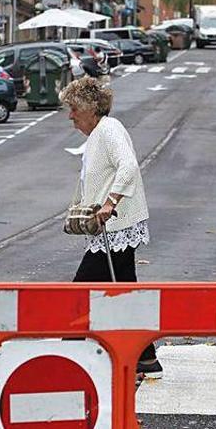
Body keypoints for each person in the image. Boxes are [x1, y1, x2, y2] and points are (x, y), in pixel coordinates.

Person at [60, 78, 163, 380]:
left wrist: (110, 202)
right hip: (111, 228)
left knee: (81, 292)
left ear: (90, 109)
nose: (71, 115)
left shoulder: (109, 129)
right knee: (123, 289)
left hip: (116, 225)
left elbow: (128, 165)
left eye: (74, 109)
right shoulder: (97, 135)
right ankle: (146, 357)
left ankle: (68, 358)